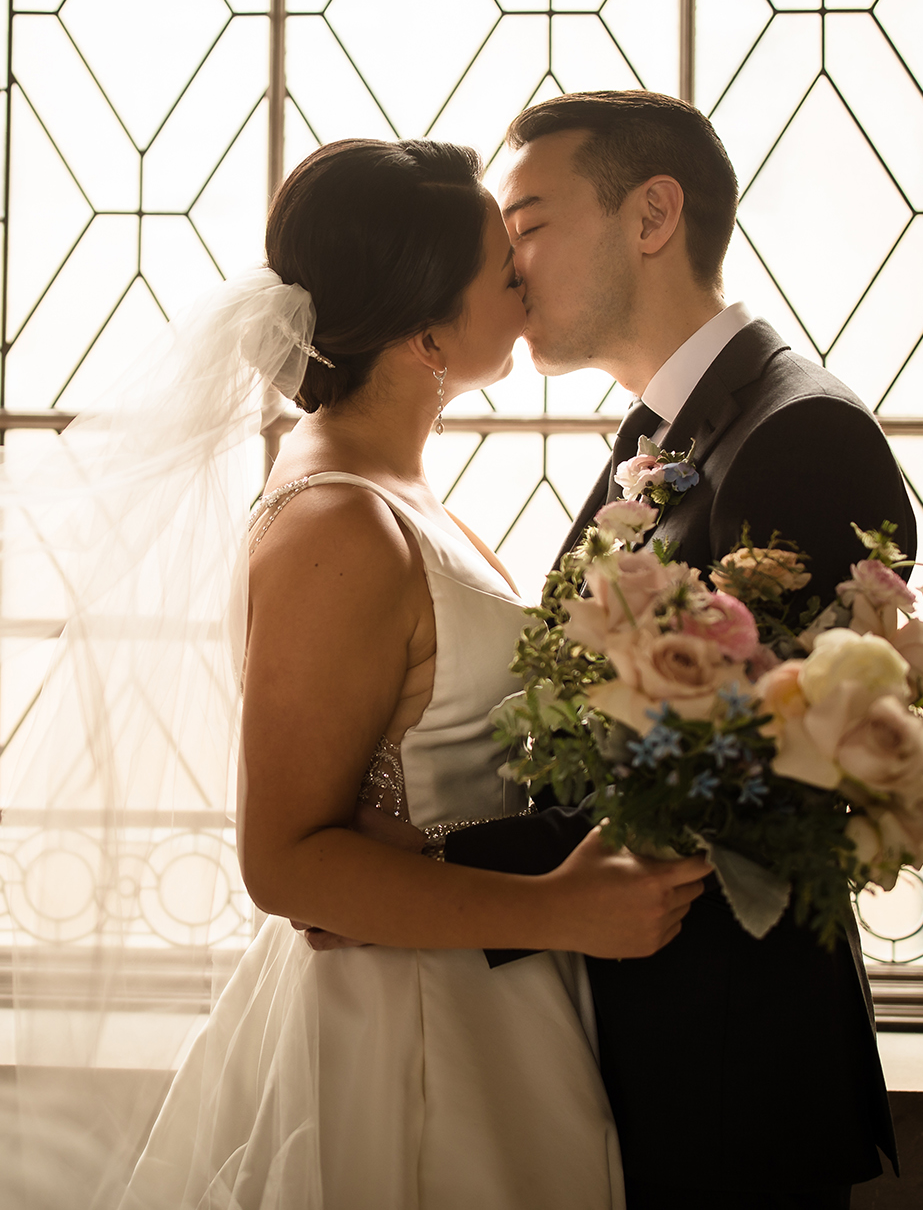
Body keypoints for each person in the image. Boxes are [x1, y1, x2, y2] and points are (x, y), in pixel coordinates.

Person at [118, 139, 713, 1210]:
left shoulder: (387, 479)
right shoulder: (336, 520)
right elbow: (284, 864)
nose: (523, 280)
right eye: (502, 268)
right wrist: (563, 912)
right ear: (425, 329)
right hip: (401, 1034)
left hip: (477, 993)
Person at [442, 90, 913, 1208]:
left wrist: (427, 870)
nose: (508, 268)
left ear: (650, 215)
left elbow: (741, 798)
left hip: (726, 1076)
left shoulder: (798, 432)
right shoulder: (665, 426)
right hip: (634, 1048)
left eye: (527, 226)